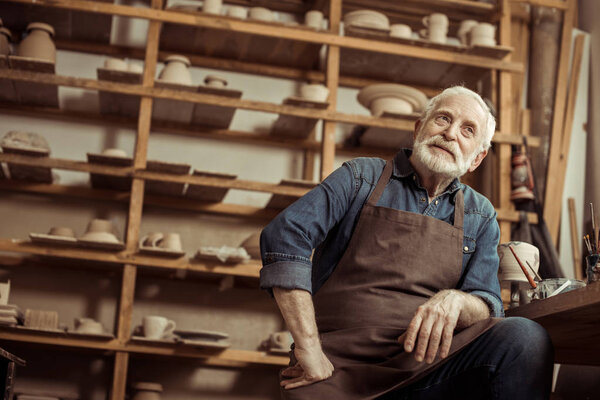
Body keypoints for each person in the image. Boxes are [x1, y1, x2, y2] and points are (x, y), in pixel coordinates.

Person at [259, 86, 554, 399]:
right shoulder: (361, 177)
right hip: (336, 366)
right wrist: (308, 347)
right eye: (442, 119)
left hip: (427, 369)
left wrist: (457, 300)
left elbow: (487, 302)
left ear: (477, 158)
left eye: (467, 130)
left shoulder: (480, 214)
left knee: (525, 338)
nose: (451, 133)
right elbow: (286, 236)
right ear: (419, 129)